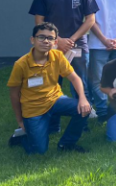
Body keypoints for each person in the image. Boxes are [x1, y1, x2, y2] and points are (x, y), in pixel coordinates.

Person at [8, 23, 91, 154]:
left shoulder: (57, 56)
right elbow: (14, 94)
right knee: (38, 152)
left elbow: (75, 78)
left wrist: (82, 98)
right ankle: (21, 137)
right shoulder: (21, 64)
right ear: (32, 40)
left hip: (55, 100)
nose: (46, 41)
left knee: (85, 108)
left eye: (50, 38)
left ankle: (67, 144)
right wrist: (20, 120)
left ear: (55, 42)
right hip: (33, 109)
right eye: (41, 37)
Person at [29, 0, 98, 98]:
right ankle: (51, 109)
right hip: (50, 45)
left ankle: (83, 109)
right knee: (49, 83)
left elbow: (90, 19)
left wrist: (71, 40)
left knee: (81, 84)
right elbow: (39, 21)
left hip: (77, 45)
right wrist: (57, 40)